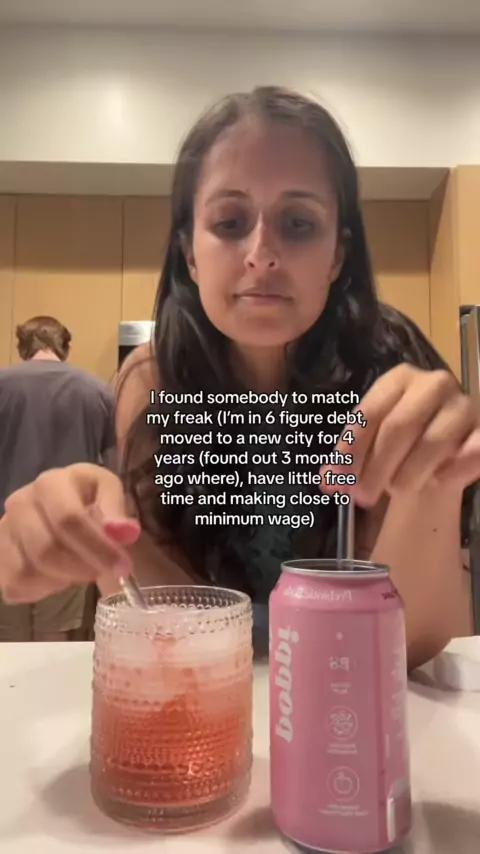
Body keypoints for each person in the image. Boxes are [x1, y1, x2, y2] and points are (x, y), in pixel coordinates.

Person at [0, 87, 478, 668]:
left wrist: (433, 486)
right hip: (220, 687)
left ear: (336, 255)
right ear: (189, 254)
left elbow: (410, 644)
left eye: (298, 223)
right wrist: (106, 537)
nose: (261, 254)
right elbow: (167, 624)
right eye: (229, 223)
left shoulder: (392, 373)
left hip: (354, 686)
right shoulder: (152, 382)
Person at [0, 316, 115, 641]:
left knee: (7, 645)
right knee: (54, 642)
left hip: (6, 536)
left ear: (23, 347)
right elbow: (113, 473)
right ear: (65, 346)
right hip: (68, 538)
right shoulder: (96, 391)